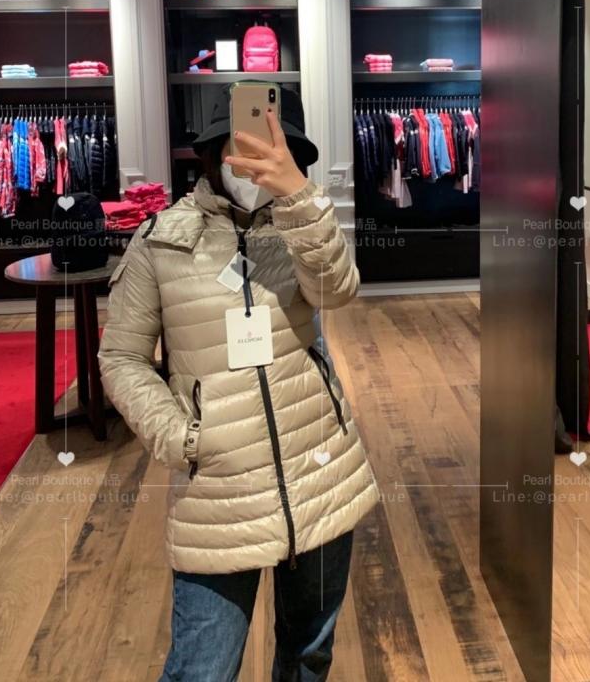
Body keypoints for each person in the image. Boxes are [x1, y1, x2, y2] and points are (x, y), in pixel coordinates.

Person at [98, 83, 380, 682]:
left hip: (320, 471)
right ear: (213, 152)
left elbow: (336, 291)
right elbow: (122, 357)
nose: (256, 157)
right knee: (201, 669)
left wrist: (299, 198)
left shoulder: (303, 226)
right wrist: (182, 438)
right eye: (242, 142)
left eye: (277, 146)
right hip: (219, 492)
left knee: (309, 654)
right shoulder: (161, 240)